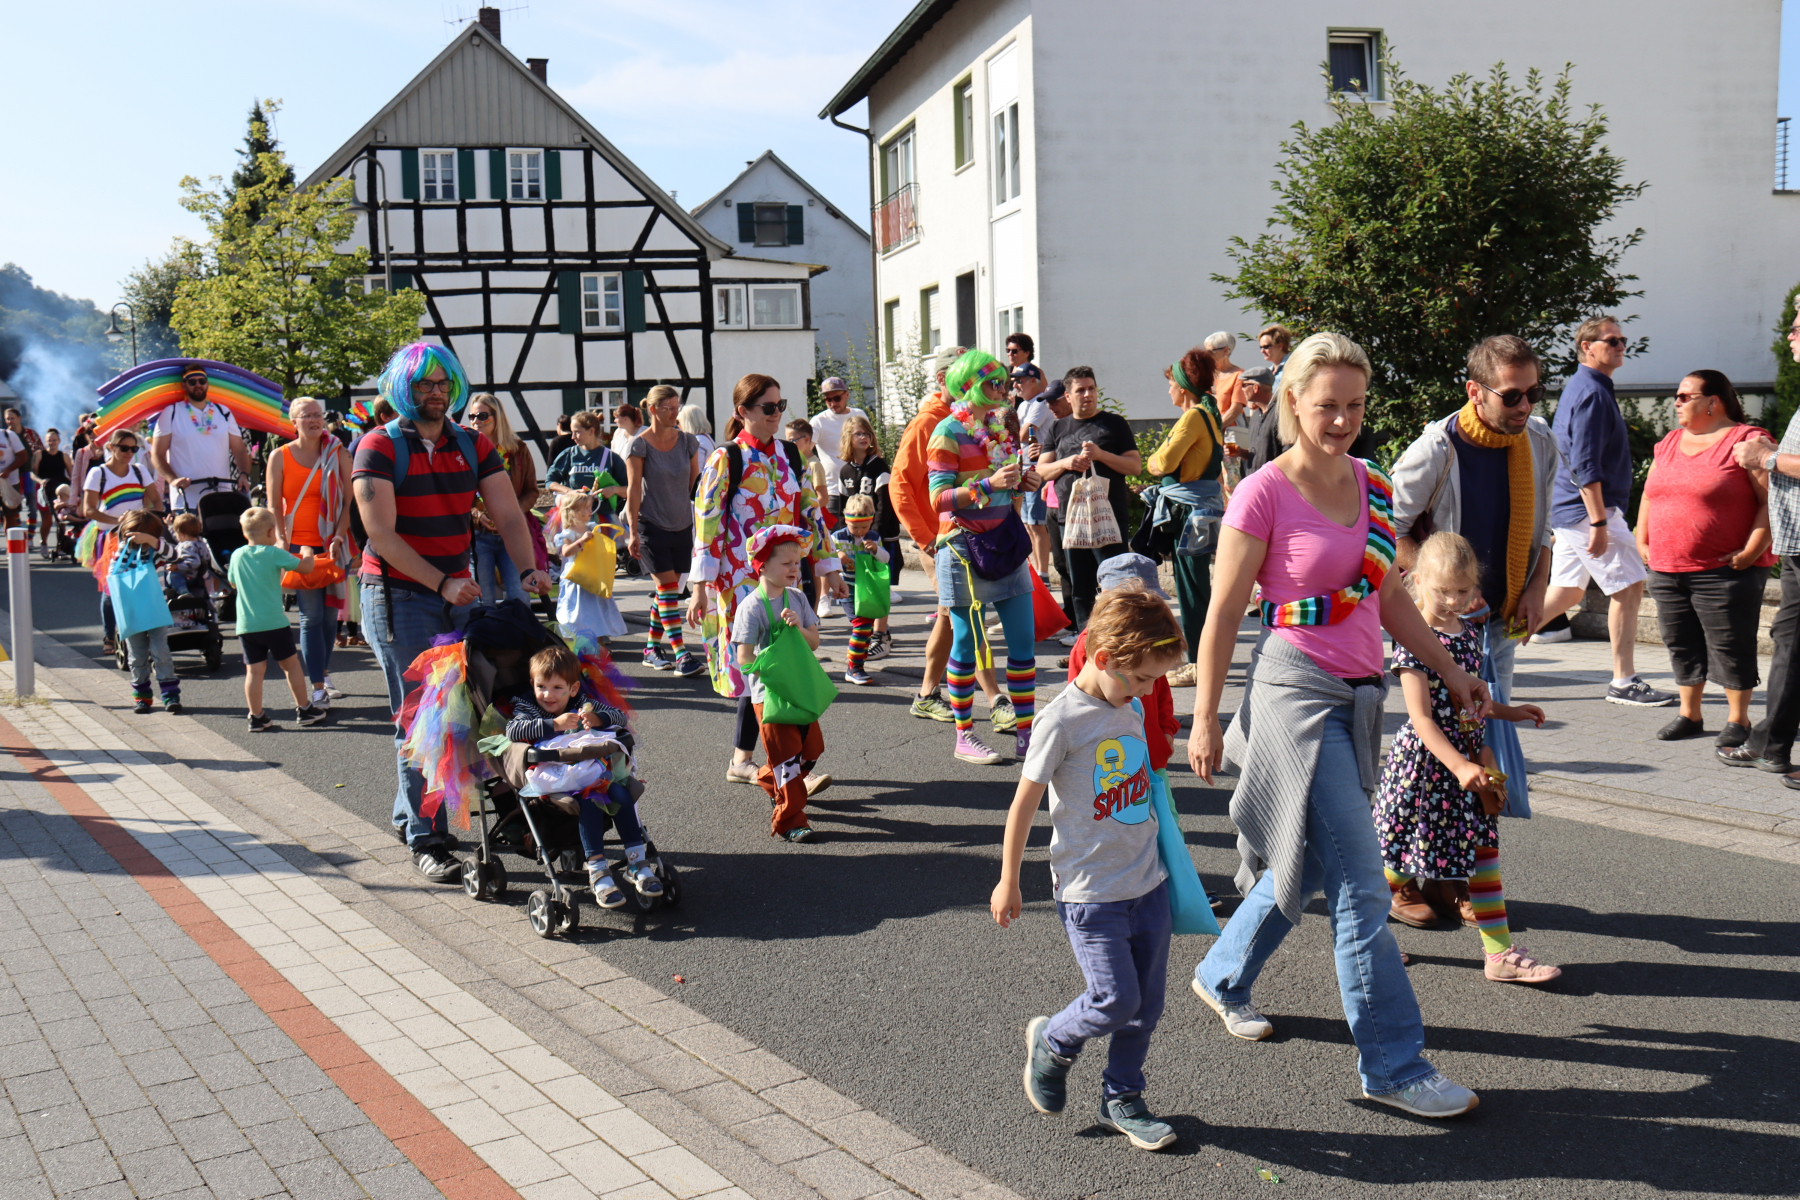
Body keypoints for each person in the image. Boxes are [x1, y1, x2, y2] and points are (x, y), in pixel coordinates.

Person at [1187, 331, 1486, 1120]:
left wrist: (1450, 671)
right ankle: (1394, 1065)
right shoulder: (1263, 493)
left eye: (1355, 405)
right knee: (1362, 883)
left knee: (1315, 861)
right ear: (1293, 401)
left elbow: (1386, 597)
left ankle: (1222, 972)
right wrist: (1205, 718)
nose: (1344, 420)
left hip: (1360, 697)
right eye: (1328, 406)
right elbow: (1223, 612)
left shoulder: (1372, 482)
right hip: (1294, 692)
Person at [991, 586, 1187, 1153]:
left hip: (1147, 882)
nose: (1148, 691)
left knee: (1146, 1006)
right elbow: (1023, 804)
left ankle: (1122, 1097)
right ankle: (1054, 1041)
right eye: (1142, 679)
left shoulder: (1129, 706)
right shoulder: (1061, 721)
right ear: (1104, 659)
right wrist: (1009, 879)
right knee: (1114, 998)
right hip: (1090, 891)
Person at [353, 342, 550, 883]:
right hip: (397, 594)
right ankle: (429, 839)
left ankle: (412, 817)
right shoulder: (377, 446)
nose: (435, 392)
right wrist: (442, 582)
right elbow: (380, 534)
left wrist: (528, 569)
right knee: (421, 720)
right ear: (403, 388)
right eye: (424, 384)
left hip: (455, 591)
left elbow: (508, 514)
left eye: (443, 383)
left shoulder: (472, 442)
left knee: (471, 711)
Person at [1375, 532, 1561, 984]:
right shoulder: (1414, 640)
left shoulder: (1470, 633)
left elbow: (1473, 701)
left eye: (1463, 590)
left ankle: (1499, 955)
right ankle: (1365, 937)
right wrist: (1458, 765)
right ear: (1416, 580)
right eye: (1442, 590)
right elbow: (1421, 720)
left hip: (1469, 768)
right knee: (1400, 861)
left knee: (1483, 856)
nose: (1453, 601)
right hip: (1426, 770)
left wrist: (1509, 711)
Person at [688, 374, 843, 786]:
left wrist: (828, 566)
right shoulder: (726, 459)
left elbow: (810, 512)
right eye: (768, 407)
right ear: (743, 412)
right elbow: (706, 524)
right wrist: (700, 588)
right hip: (742, 584)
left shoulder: (791, 454)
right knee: (761, 670)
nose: (777, 414)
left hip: (787, 580)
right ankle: (787, 769)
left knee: (781, 667)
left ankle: (749, 761)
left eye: (780, 405)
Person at [1389, 335, 1560, 703]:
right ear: (1475, 392)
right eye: (1511, 396)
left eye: (1534, 393)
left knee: (1491, 728)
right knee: (1444, 728)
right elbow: (1388, 530)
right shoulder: (1436, 450)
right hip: (1442, 622)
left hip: (1502, 618)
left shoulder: (1540, 439)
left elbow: (1543, 524)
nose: (1525, 406)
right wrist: (1454, 584)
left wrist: (1537, 587)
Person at [1539, 316, 1674, 706]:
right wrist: (1598, 520)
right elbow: (1585, 463)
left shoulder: (1588, 387)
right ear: (1587, 347)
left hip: (1573, 510)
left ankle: (1488, 650)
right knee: (1629, 588)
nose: (1620, 346)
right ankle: (1623, 681)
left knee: (1565, 594)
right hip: (1588, 512)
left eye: (1622, 340)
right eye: (1611, 340)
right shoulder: (1592, 393)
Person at [1633, 371, 1772, 746]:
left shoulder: (1747, 441)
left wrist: (1751, 551)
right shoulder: (1670, 442)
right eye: (1676, 396)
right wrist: (1641, 537)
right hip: (1668, 567)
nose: (1676, 402)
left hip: (1725, 570)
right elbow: (1649, 494)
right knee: (1680, 642)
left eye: (1685, 396)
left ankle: (1738, 720)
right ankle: (1690, 714)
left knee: (1730, 645)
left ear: (1714, 402)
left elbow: (1770, 502)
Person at [927, 349, 1044, 765]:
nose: (1003, 389)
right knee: (965, 644)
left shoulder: (998, 427)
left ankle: (1026, 733)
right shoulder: (946, 431)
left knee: (1023, 642)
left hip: (1004, 543)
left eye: (1004, 382)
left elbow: (1004, 485)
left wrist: (1022, 482)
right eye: (995, 382)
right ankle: (964, 736)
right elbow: (939, 500)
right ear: (970, 385)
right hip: (961, 548)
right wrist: (989, 484)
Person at [891, 346, 1012, 727]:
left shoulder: (978, 420)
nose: (987, 386)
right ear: (946, 379)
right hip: (944, 538)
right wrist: (925, 538)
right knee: (968, 615)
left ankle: (927, 693)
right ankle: (995, 698)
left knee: (953, 618)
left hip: (974, 536)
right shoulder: (930, 423)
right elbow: (899, 484)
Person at [506, 643, 659, 909]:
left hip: (591, 772)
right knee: (591, 802)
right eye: (541, 687)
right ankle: (597, 870)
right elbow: (513, 731)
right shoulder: (528, 707)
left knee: (622, 794)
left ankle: (637, 862)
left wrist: (597, 719)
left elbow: (619, 717)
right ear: (532, 685)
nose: (548, 695)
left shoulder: (581, 703)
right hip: (557, 779)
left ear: (573, 688)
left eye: (558, 688)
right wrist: (553, 724)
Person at [732, 528, 829, 842]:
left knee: (811, 750)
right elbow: (744, 658)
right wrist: (773, 665)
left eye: (797, 563)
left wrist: (798, 628)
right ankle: (790, 820)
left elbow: (814, 642)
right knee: (787, 760)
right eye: (786, 563)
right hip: (770, 695)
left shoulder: (798, 598)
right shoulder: (751, 607)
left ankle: (768, 777)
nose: (794, 569)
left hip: (800, 689)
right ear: (762, 566)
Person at [1037, 367, 1142, 637]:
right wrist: (1066, 463)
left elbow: (1134, 466)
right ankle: (1085, 642)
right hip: (1071, 518)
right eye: (1080, 390)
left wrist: (1101, 455)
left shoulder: (1114, 423)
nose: (1088, 395)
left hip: (1109, 516)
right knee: (1080, 585)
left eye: (1091, 388)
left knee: (1114, 583)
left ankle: (1118, 639)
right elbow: (1042, 470)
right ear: (1068, 396)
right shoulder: (1058, 427)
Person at [1144, 348, 1226, 688]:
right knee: (1195, 587)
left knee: (1192, 591)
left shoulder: (1193, 417)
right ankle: (1201, 658)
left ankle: (1199, 663)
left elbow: (1162, 463)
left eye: (1170, 385)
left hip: (1188, 512)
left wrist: (1152, 460)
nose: (1168, 391)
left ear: (1182, 387)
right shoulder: (1210, 414)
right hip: (1200, 508)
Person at [267, 397, 353, 711]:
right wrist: (280, 539)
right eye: (307, 415)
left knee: (330, 617)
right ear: (294, 422)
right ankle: (317, 687)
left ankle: (324, 673)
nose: (315, 420)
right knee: (311, 616)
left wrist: (340, 535)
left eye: (318, 414)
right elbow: (273, 505)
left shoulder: (338, 452)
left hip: (332, 545)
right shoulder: (279, 456)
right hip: (298, 547)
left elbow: (349, 502)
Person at [1065, 558, 1183, 779]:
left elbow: (1162, 695)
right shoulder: (1088, 645)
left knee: (1160, 803)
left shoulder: (1151, 651)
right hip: (1111, 767)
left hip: (1152, 762)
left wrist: (1166, 729)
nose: (1147, 689)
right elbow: (1077, 702)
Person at [229, 506, 329, 731]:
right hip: (274, 623)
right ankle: (304, 709)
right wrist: (307, 552)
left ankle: (256, 716)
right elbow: (306, 568)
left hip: (247, 625)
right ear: (270, 532)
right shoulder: (273, 553)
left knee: (254, 672)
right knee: (291, 665)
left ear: (244, 533)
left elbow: (233, 582)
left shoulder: (237, 555)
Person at [627, 384, 702, 675]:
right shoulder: (639, 445)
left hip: (682, 525)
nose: (674, 413)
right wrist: (632, 531)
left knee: (666, 593)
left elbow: (695, 486)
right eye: (668, 408)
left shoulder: (688, 442)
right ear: (653, 409)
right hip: (651, 525)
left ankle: (650, 649)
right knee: (669, 589)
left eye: (676, 407)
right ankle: (682, 654)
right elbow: (634, 490)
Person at [83, 428, 162, 656]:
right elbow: (88, 509)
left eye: (133, 449)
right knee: (112, 587)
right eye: (124, 448)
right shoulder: (98, 473)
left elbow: (155, 500)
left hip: (138, 535)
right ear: (111, 447)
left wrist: (151, 521)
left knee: (142, 582)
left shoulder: (139, 471)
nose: (129, 453)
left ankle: (140, 631)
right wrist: (117, 521)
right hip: (110, 536)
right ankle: (109, 634)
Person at [463, 394, 541, 607]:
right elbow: (457, 495)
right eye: (472, 416)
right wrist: (476, 515)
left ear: (497, 417)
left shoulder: (517, 450)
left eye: (482, 416)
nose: (475, 421)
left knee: (519, 595)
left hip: (512, 533)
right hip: (479, 535)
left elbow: (531, 491)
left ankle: (520, 629)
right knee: (482, 599)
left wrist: (511, 513)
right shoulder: (466, 451)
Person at [833, 412, 900, 655]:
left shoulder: (879, 466)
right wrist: (844, 536)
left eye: (867, 433)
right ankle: (878, 632)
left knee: (879, 585)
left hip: (879, 537)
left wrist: (873, 536)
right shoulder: (845, 471)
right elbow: (842, 507)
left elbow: (884, 505)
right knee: (860, 587)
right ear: (848, 438)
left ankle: (880, 636)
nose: (863, 438)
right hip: (854, 538)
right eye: (858, 434)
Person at [111, 509, 184, 716]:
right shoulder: (124, 549)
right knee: (136, 656)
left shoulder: (157, 549)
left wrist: (151, 541)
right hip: (132, 611)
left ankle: (170, 695)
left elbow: (175, 555)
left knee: (161, 652)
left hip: (155, 609)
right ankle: (142, 697)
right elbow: (114, 572)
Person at [151, 364, 252, 511]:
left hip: (222, 497)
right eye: (192, 382)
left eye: (202, 381)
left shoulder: (223, 412)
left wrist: (243, 475)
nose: (198, 385)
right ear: (184, 385)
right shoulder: (171, 412)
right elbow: (157, 454)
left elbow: (240, 450)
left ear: (207, 384)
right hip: (186, 500)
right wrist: (173, 480)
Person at [832, 494, 891, 685]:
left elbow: (886, 559)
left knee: (866, 628)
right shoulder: (838, 537)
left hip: (867, 589)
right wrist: (838, 554)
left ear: (871, 522)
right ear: (846, 520)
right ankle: (854, 668)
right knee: (861, 626)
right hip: (848, 588)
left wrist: (875, 550)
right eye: (855, 527)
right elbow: (826, 557)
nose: (859, 531)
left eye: (864, 527)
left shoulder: (873, 537)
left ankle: (858, 664)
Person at [552, 491, 627, 641]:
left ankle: (598, 640)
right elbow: (566, 552)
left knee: (595, 610)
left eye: (589, 507)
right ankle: (576, 639)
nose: (590, 510)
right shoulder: (568, 533)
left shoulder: (592, 527)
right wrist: (581, 541)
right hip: (577, 577)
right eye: (585, 508)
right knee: (577, 612)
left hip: (592, 574)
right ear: (573, 511)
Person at [547, 411, 629, 521]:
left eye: (577, 432)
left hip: (603, 517)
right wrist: (570, 492)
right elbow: (550, 482)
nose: (572, 437)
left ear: (591, 431)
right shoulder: (569, 454)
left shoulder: (611, 458)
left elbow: (629, 490)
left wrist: (613, 490)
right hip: (574, 519)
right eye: (572, 432)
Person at [810, 377, 866, 506]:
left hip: (860, 489)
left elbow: (871, 445)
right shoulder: (818, 421)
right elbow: (805, 451)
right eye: (828, 399)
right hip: (833, 491)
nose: (832, 403)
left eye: (836, 398)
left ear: (847, 395)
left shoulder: (859, 415)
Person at [32, 427, 72, 553]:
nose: (52, 442)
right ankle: (44, 542)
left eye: (54, 440)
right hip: (45, 488)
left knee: (61, 519)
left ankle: (61, 546)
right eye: (49, 440)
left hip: (60, 489)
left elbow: (72, 474)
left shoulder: (64, 456)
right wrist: (40, 481)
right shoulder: (39, 455)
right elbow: (32, 473)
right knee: (47, 520)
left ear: (59, 441)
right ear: (45, 441)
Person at [165, 512, 215, 597]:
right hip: (200, 576)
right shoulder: (199, 542)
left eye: (176, 533)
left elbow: (194, 562)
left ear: (182, 535)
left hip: (188, 576)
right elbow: (179, 538)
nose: (175, 535)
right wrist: (170, 525)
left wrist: (177, 567)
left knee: (172, 575)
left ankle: (183, 592)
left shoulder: (187, 546)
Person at [1204, 332, 1247, 427]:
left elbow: (1235, 410)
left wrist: (1215, 429)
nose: (1207, 356)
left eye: (1210, 352)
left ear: (1225, 351)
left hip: (1229, 431)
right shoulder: (1208, 374)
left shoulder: (1238, 375)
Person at [0, 408, 28, 532]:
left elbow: (23, 456)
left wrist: (8, 470)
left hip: (10, 483)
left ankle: (11, 543)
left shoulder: (8, 435)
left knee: (10, 517)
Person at [1258, 323, 1293, 395]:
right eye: (1261, 347)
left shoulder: (1293, 366)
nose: (1262, 351)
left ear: (1280, 346)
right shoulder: (1269, 371)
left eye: (1266, 347)